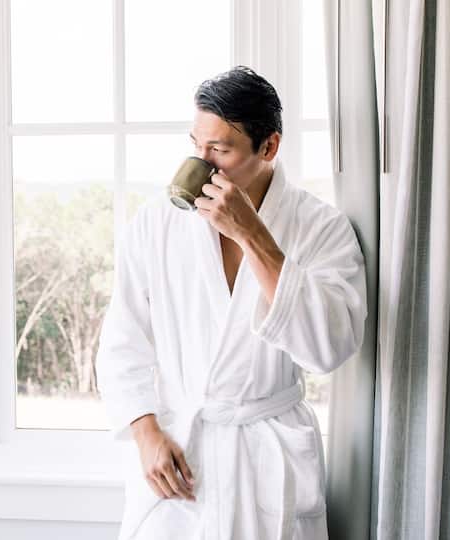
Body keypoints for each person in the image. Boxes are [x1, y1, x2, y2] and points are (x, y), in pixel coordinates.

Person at [95, 65, 368, 540]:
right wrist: (145, 433)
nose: (202, 164)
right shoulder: (156, 223)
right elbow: (122, 342)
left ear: (270, 147)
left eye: (220, 150)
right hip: (182, 458)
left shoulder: (320, 227)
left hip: (268, 459)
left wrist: (252, 234)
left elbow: (330, 347)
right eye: (196, 146)